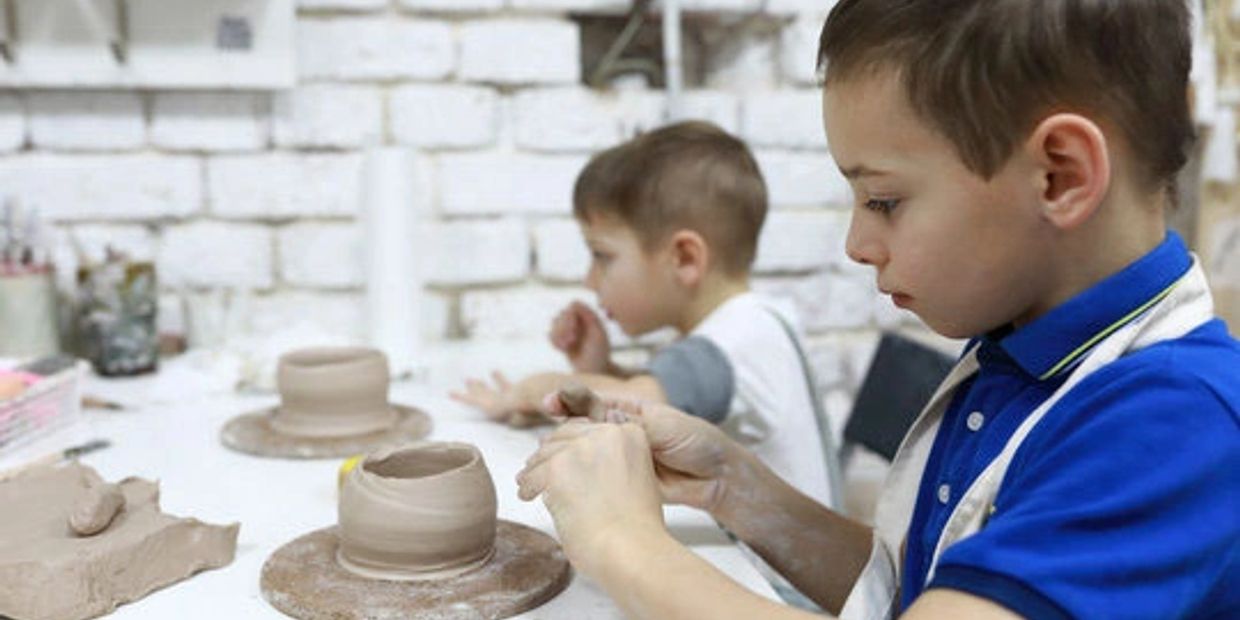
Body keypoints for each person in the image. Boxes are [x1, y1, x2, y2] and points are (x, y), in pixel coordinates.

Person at [515, 1, 1240, 618]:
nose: (858, 243)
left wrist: (620, 542)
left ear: (1060, 176)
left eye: (884, 201)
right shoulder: (1024, 346)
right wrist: (733, 485)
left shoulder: (1173, 419)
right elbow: (929, 592)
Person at [453, 121, 841, 508]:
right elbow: (666, 404)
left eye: (602, 256)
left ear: (685, 258)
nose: (590, 281)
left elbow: (629, 404)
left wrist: (527, 391)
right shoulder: (753, 322)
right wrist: (602, 366)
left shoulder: (730, 345)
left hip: (767, 569)